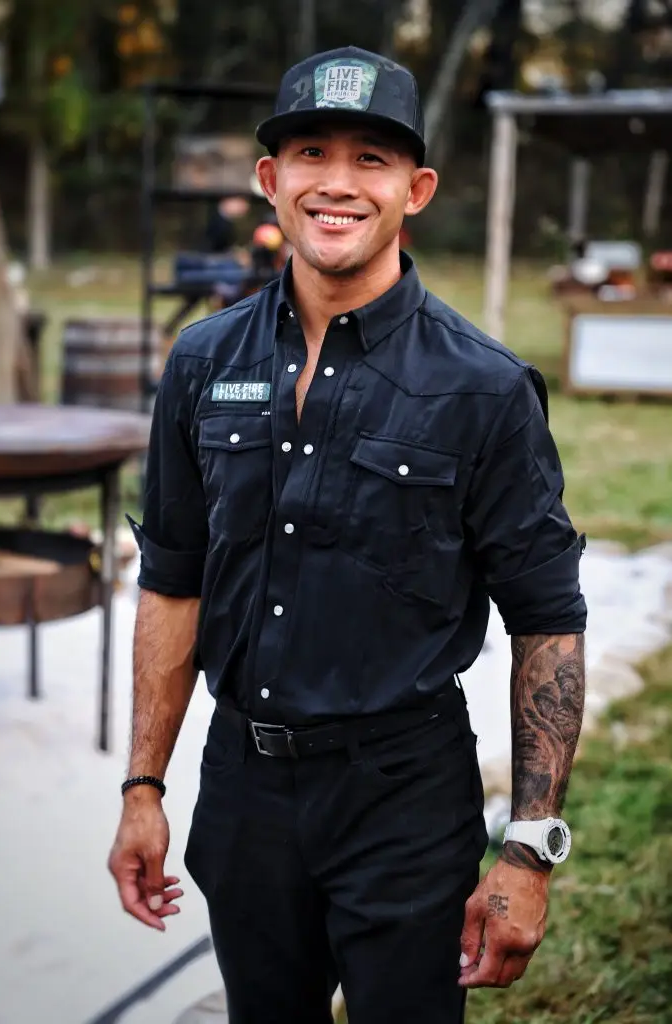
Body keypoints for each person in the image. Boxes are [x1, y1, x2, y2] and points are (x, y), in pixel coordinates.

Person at [108, 45, 587, 1024]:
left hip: (403, 797)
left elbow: (545, 618)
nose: (336, 182)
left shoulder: (483, 389)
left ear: (414, 190)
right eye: (309, 152)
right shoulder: (201, 363)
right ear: (267, 181)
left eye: (370, 158)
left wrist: (528, 845)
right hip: (243, 789)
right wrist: (143, 784)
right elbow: (171, 580)